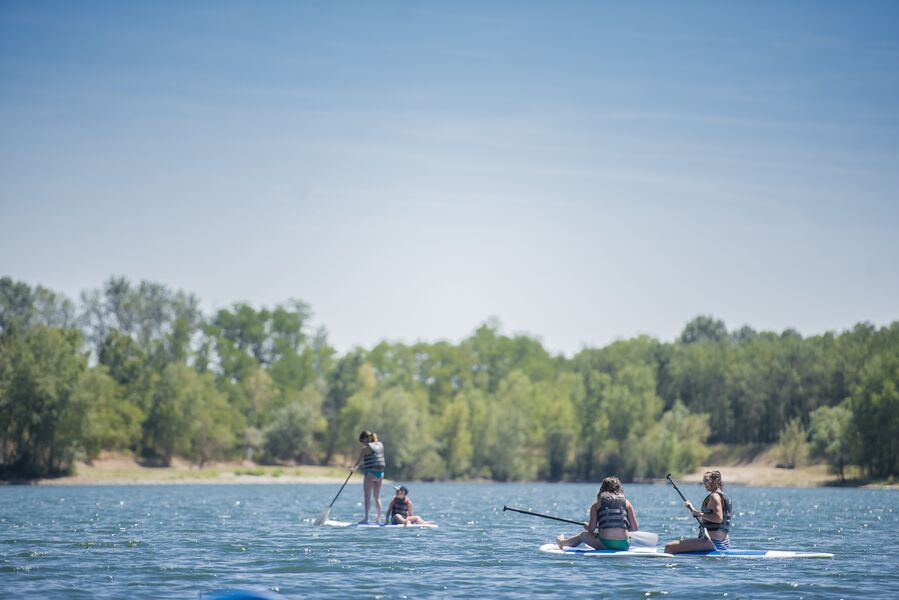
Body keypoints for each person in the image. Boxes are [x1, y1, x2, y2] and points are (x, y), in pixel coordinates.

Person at [556, 476, 639, 551]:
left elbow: (591, 529)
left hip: (605, 544)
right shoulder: (627, 503)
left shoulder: (596, 504)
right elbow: (634, 528)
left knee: (583, 536)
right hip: (624, 545)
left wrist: (586, 526)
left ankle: (562, 543)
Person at [664, 470, 733, 554]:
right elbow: (710, 518)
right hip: (723, 543)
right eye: (703, 481)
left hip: (712, 542)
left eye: (706, 480)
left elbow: (718, 518)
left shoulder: (714, 496)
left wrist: (698, 513)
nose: (704, 483)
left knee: (669, 547)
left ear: (715, 481)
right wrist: (692, 509)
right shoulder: (723, 496)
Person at [352, 430, 385, 523]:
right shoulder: (380, 444)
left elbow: (358, 462)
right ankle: (378, 519)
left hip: (370, 473)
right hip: (380, 474)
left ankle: (366, 518)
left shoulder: (365, 448)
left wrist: (353, 468)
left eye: (362, 441)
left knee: (367, 497)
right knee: (377, 497)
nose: (362, 443)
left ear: (365, 439)